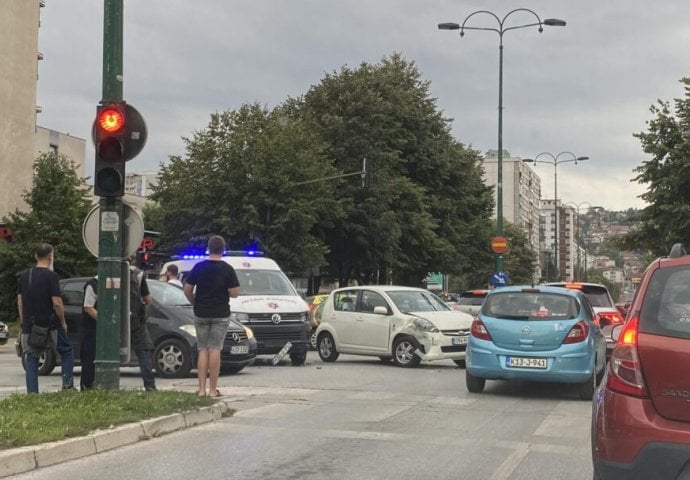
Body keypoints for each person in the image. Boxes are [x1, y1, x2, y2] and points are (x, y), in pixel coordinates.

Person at [80, 262, 157, 391]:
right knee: (143, 352)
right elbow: (148, 300)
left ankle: (92, 387)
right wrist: (138, 312)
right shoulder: (137, 275)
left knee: (97, 355)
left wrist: (106, 322)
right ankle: (150, 386)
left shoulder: (96, 283)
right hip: (135, 322)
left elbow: (88, 308)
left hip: (109, 325)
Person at [183, 235, 240, 397]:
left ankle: (201, 390)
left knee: (203, 349)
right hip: (221, 313)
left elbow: (187, 289)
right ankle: (213, 390)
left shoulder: (199, 267)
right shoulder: (227, 269)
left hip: (201, 312)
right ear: (223, 249)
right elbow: (235, 293)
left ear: (208, 248)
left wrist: (195, 302)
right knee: (215, 349)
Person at [17, 243, 74, 393]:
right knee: (67, 351)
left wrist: (24, 323)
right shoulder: (51, 276)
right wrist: (63, 322)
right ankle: (67, 386)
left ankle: (32, 393)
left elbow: (20, 301)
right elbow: (57, 302)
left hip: (30, 325)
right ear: (50, 257)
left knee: (32, 357)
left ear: (36, 256)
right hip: (50, 325)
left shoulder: (24, 276)